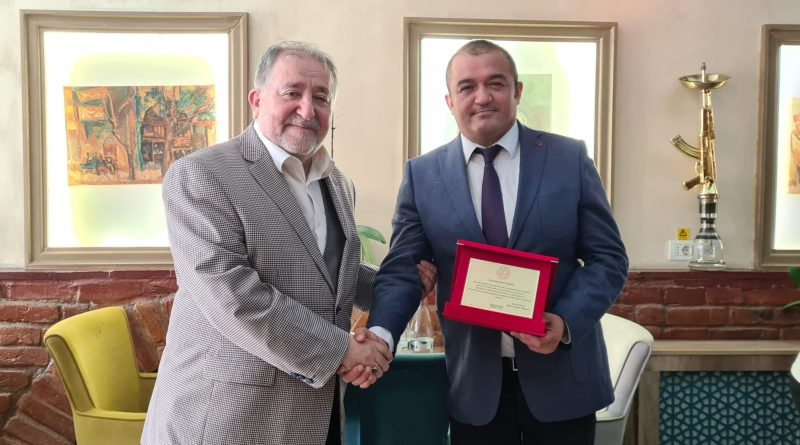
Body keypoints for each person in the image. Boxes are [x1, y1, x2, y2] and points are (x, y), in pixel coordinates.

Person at [141, 41, 434, 445]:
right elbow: (233, 297)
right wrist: (343, 351)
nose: (308, 110)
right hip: (228, 418)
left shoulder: (338, 184)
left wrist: (400, 284)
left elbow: (332, 275)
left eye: (321, 97)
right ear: (257, 100)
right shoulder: (201, 175)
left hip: (314, 414)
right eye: (292, 92)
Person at [366, 40, 628, 445]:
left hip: (564, 384)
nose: (482, 97)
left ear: (517, 91)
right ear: (450, 101)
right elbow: (402, 269)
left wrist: (564, 323)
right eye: (467, 87)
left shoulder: (569, 159)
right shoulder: (422, 175)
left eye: (496, 83)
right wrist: (381, 336)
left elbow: (607, 259)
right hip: (475, 389)